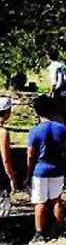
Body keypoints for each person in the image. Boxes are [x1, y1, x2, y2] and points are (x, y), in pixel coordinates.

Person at [26, 94, 66, 242]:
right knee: (57, 200)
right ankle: (59, 229)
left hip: (40, 169)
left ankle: (39, 233)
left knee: (40, 202)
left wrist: (28, 172)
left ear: (36, 112)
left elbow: (30, 155)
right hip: (57, 169)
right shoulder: (62, 129)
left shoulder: (35, 131)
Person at [0, 96, 18, 235]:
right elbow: (6, 159)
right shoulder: (3, 133)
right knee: (3, 209)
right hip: (0, 176)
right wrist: (12, 178)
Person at [46, 49, 66, 124]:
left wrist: (51, 92)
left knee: (56, 109)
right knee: (65, 109)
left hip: (59, 90)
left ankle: (57, 126)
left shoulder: (53, 66)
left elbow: (54, 82)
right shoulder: (62, 65)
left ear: (48, 56)